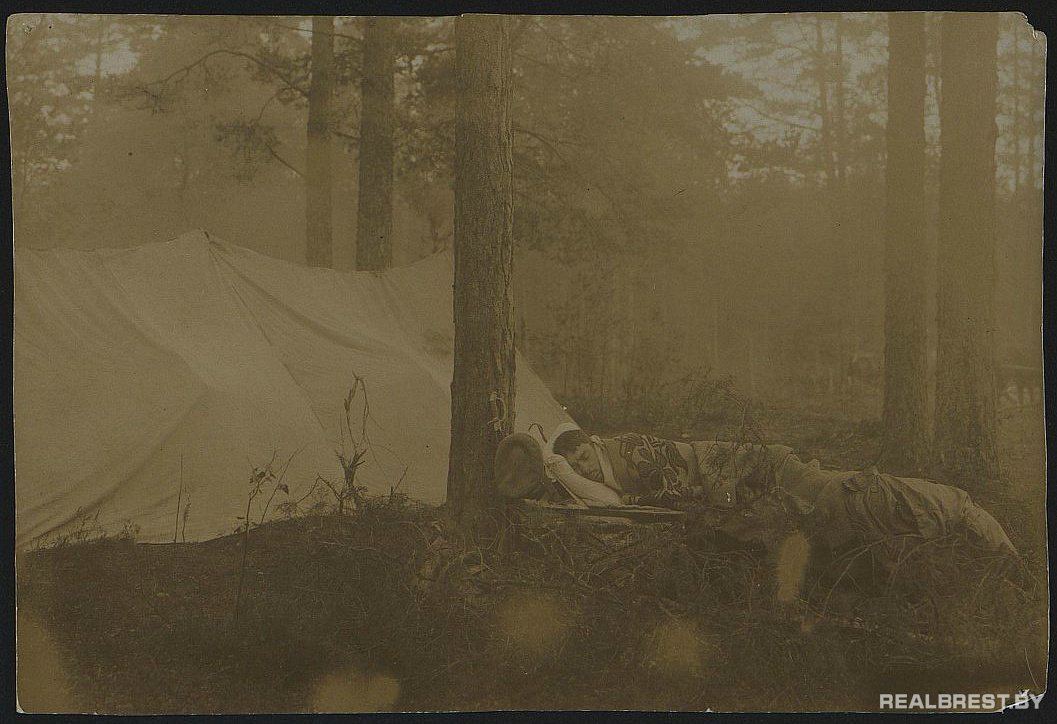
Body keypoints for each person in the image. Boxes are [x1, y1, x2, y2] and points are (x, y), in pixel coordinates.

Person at [541, 424, 1017, 559]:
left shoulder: (630, 452)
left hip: (766, 472)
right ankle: (965, 527)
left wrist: (584, 483)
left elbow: (664, 494)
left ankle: (959, 512)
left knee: (849, 493)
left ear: (592, 444)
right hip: (753, 486)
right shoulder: (617, 467)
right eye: (579, 465)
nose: (588, 469)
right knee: (837, 505)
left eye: (583, 458)